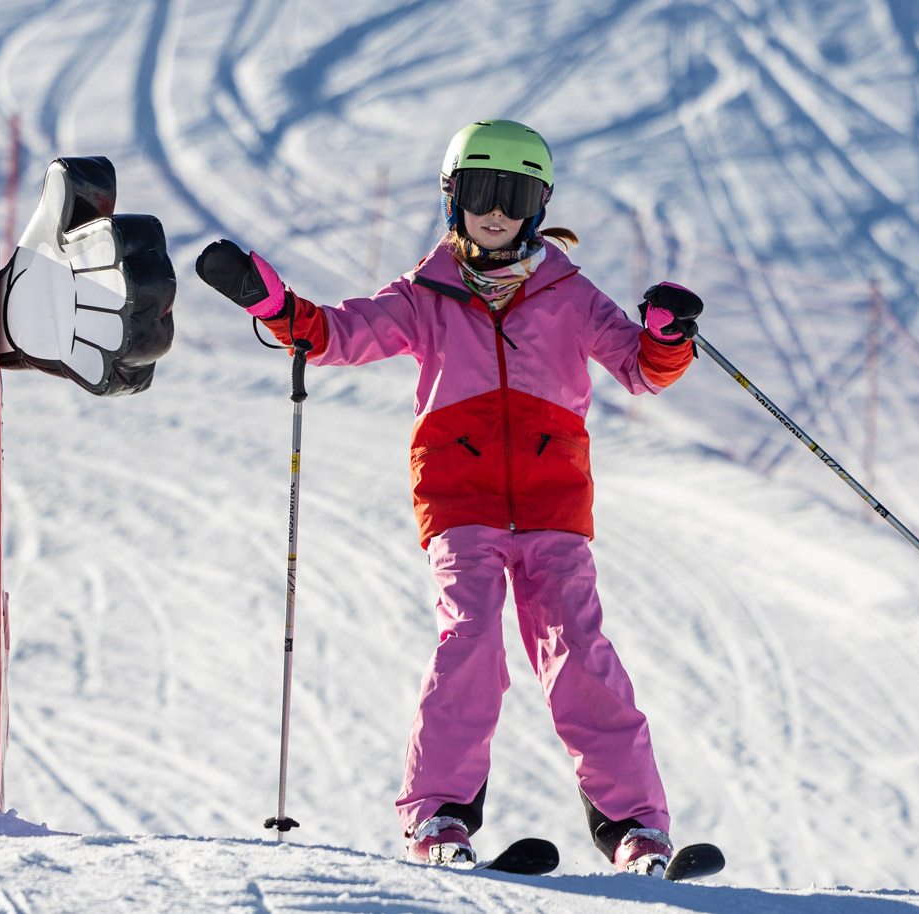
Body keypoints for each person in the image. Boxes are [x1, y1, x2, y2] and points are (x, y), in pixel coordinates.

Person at [195, 119, 705, 876]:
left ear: (539, 204)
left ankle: (635, 827)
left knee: (579, 649)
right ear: (451, 197)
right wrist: (273, 304)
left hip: (551, 500)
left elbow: (640, 369)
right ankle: (438, 816)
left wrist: (667, 335)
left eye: (514, 194)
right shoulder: (426, 294)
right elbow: (337, 334)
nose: (494, 211)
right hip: (460, 501)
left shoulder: (567, 292)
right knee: (469, 641)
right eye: (479, 192)